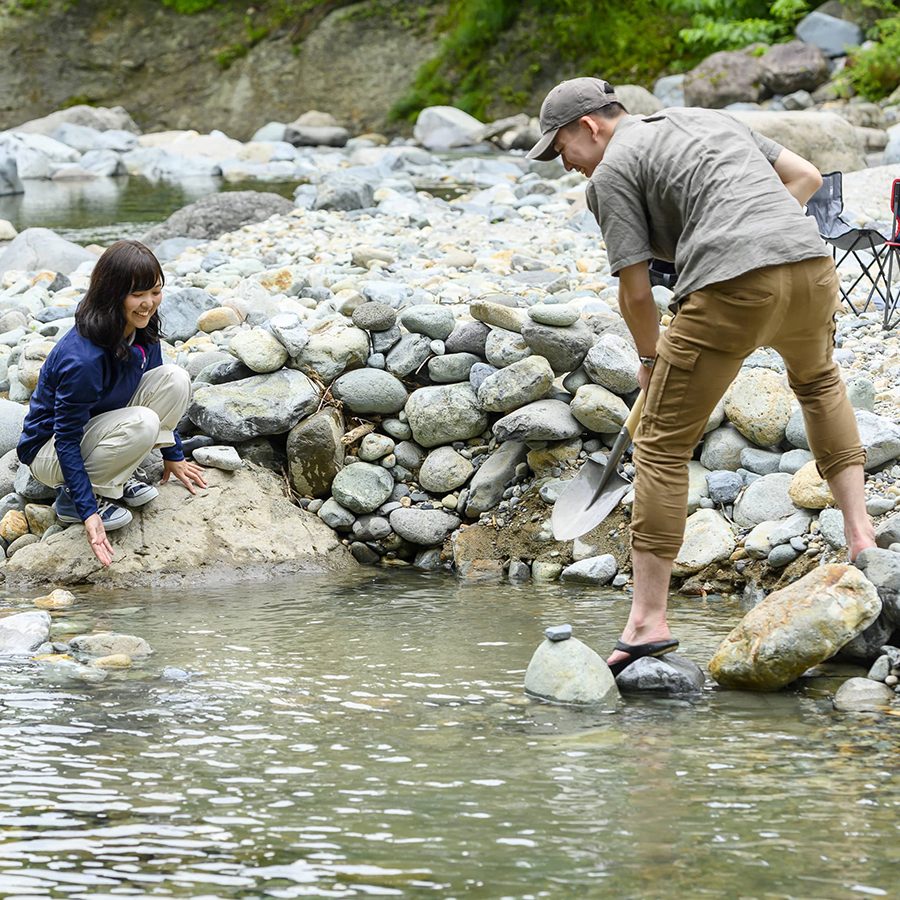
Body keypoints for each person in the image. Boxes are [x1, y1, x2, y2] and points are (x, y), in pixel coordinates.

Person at [526, 77, 876, 675]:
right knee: (818, 385)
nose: (566, 167)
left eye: (561, 150)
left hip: (731, 290)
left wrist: (649, 355)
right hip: (814, 267)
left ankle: (646, 623)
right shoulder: (706, 119)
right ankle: (862, 536)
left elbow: (636, 294)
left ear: (591, 126)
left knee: (661, 445)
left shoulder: (611, 173)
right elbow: (808, 177)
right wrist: (759, 239)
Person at [17, 239, 207, 567]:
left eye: (155, 291)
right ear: (112, 293)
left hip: (100, 426)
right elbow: (65, 438)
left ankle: (115, 477)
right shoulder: (84, 359)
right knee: (143, 421)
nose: (149, 303)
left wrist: (173, 456)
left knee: (175, 378)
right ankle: (75, 501)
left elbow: (159, 388)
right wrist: (89, 512)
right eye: (138, 294)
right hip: (49, 452)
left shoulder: (140, 328)